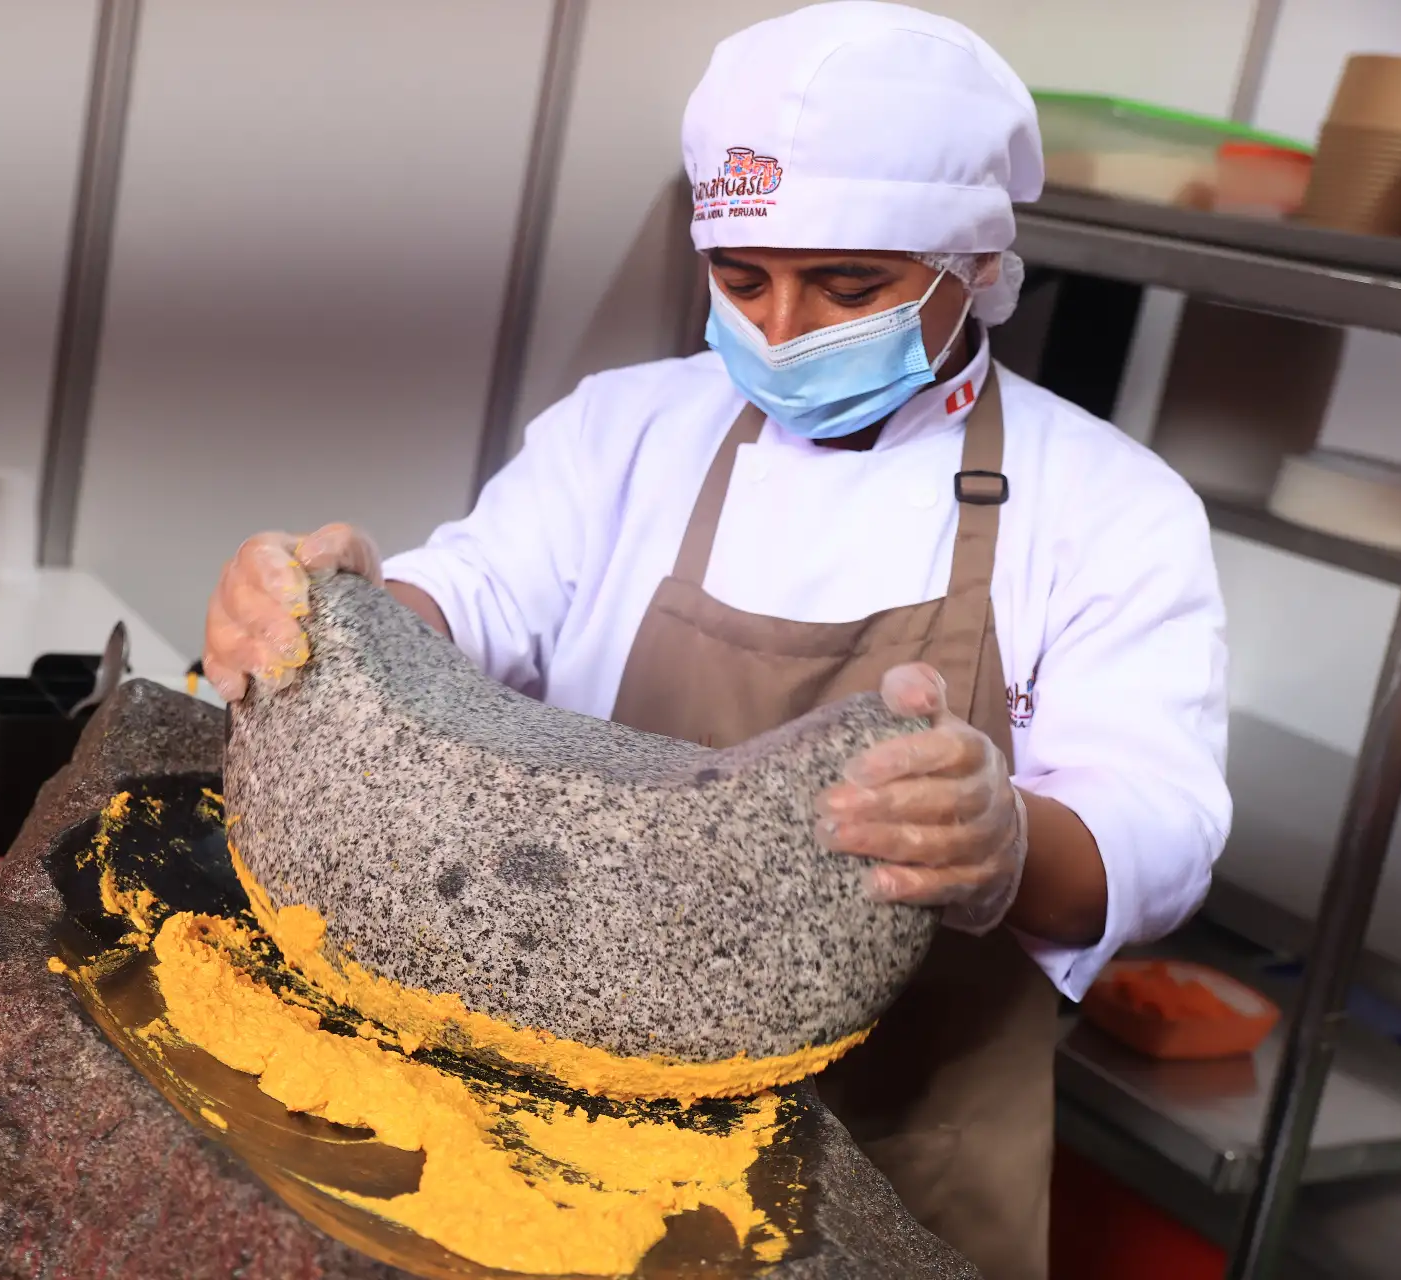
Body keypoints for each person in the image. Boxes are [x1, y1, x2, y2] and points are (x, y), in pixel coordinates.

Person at [200, 4, 1230, 1276]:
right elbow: (474, 597)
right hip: (554, 1129)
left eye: (849, 285)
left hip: (904, 1161)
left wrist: (1004, 840)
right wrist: (335, 612)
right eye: (743, 280)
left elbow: (1162, 824)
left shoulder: (1111, 507)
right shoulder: (626, 431)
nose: (784, 326)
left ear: (975, 270)